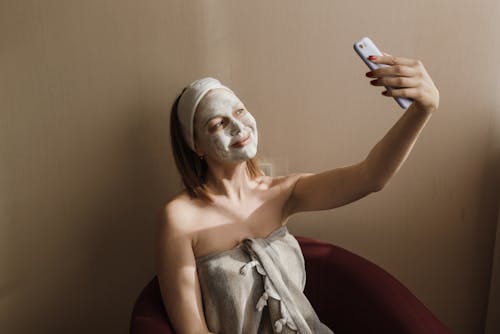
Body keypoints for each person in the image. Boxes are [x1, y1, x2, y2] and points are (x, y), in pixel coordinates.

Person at [155, 52, 440, 334]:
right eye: (217, 124)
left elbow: (370, 177)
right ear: (197, 147)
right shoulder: (180, 218)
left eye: (239, 111)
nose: (239, 127)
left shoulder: (281, 193)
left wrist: (420, 111)